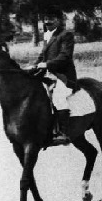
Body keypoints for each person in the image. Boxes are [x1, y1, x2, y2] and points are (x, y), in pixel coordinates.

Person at [31, 9, 77, 146]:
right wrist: (34, 66)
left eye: (51, 18)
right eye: (45, 19)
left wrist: (47, 64)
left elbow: (65, 56)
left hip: (63, 75)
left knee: (58, 97)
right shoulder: (47, 35)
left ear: (58, 20)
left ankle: (63, 132)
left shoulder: (66, 35)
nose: (47, 22)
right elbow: (42, 55)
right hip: (47, 74)